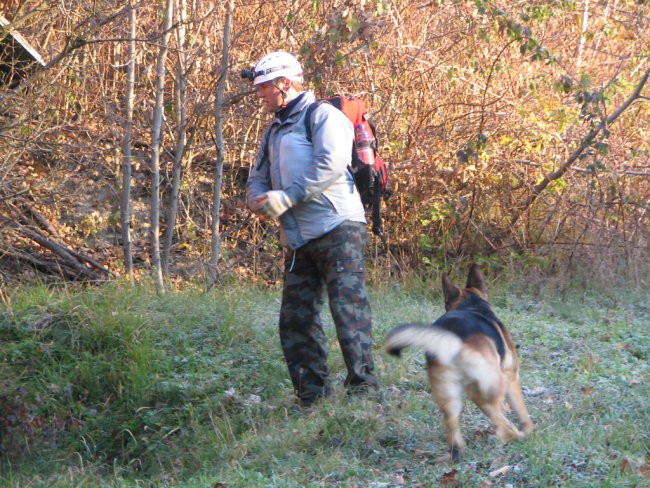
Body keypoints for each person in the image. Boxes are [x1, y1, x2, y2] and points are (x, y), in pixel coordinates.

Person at [245, 51, 378, 406]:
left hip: (338, 227)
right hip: (299, 237)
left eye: (263, 87)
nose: (260, 95)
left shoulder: (323, 115)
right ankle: (312, 397)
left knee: (347, 309)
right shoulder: (273, 130)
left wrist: (286, 198)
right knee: (295, 319)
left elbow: (331, 164)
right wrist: (258, 200)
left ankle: (364, 392)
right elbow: (255, 178)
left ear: (284, 83)